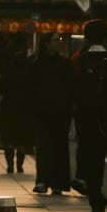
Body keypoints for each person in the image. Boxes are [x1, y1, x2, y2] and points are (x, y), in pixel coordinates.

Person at [28, 33, 75, 195]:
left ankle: (59, 182)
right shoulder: (36, 64)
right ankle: (42, 180)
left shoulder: (65, 64)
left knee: (59, 147)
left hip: (61, 112)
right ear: (46, 44)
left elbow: (71, 87)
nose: (60, 42)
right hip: (41, 112)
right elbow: (29, 88)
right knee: (43, 147)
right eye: (56, 40)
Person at [72, 20, 107, 212]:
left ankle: (94, 191)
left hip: (85, 114)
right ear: (106, 37)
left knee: (90, 151)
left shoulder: (79, 60)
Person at [0, 44, 36, 175]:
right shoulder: (29, 74)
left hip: (9, 109)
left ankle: (10, 165)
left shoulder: (8, 73)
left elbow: (0, 88)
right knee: (21, 141)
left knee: (9, 140)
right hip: (25, 110)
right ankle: (20, 165)